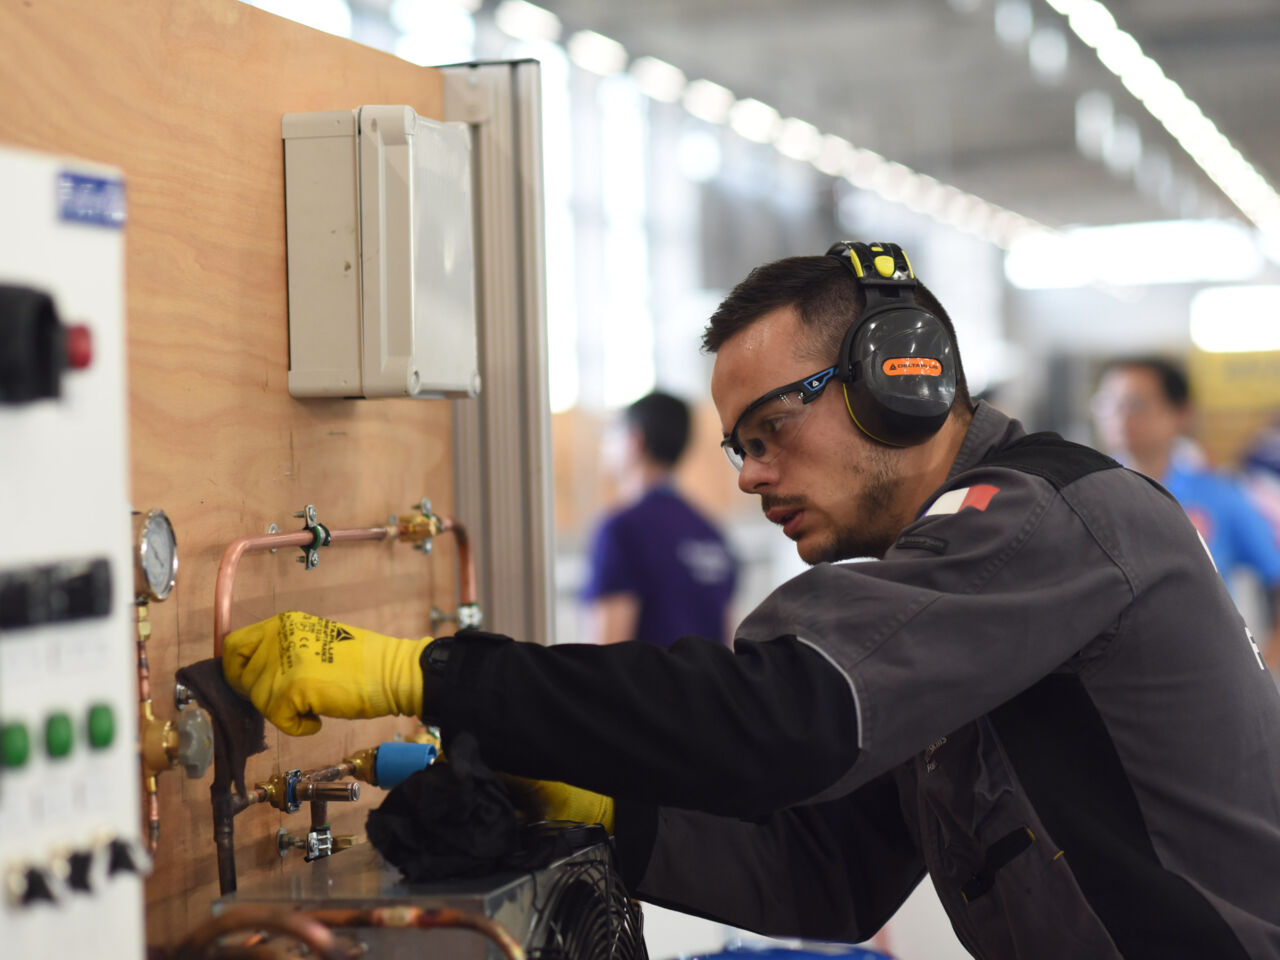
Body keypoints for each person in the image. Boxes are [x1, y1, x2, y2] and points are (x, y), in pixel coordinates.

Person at [224, 242, 1280, 959]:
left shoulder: (1040, 515)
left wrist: (426, 673)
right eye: (737, 447)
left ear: (899, 381)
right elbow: (830, 873)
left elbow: (783, 716)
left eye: (771, 431)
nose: (749, 476)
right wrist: (603, 808)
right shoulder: (951, 582)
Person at [1092, 356, 1280, 666]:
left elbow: (1274, 569)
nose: (1119, 418)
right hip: (1112, 676)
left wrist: (1266, 667)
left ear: (1180, 414)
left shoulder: (1217, 495)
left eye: (1135, 404)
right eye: (1108, 404)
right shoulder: (1086, 497)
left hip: (1205, 672)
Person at [582, 390, 737, 648]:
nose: (604, 446)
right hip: (708, 676)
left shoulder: (622, 531)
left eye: (611, 434)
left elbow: (608, 655)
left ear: (635, 441)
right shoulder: (711, 532)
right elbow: (727, 641)